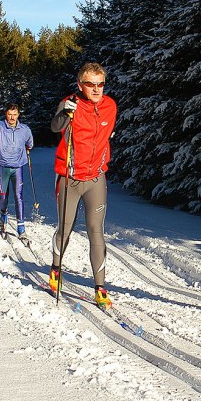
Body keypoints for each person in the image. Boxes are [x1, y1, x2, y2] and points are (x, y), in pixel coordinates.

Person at [48, 62, 117, 310]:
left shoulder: (110, 106)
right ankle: (56, 269)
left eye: (101, 84)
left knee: (95, 231)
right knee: (65, 229)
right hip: (70, 178)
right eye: (91, 84)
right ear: (80, 85)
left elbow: (107, 135)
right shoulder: (70, 104)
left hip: (96, 179)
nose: (97, 89)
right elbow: (54, 128)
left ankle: (100, 288)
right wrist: (65, 113)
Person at [0, 102, 34, 240]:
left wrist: (27, 148)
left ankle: (21, 227)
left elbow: (30, 143)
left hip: (18, 166)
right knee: (3, 195)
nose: (12, 118)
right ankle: (3, 215)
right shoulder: (0, 126)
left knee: (19, 196)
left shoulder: (24, 129)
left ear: (18, 114)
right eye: (9, 114)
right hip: (2, 166)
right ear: (5, 115)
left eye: (14, 114)